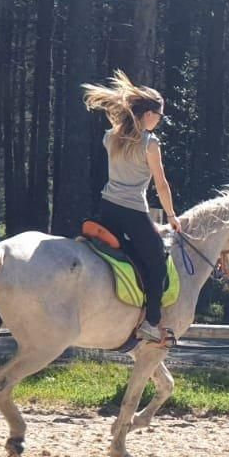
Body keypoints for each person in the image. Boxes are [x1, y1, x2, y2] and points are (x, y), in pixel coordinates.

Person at [81, 70, 181, 344]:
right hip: (133, 211)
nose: (159, 121)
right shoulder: (150, 143)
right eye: (159, 116)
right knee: (157, 262)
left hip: (106, 208)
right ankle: (150, 322)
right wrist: (171, 215)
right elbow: (161, 185)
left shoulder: (109, 136)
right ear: (148, 114)